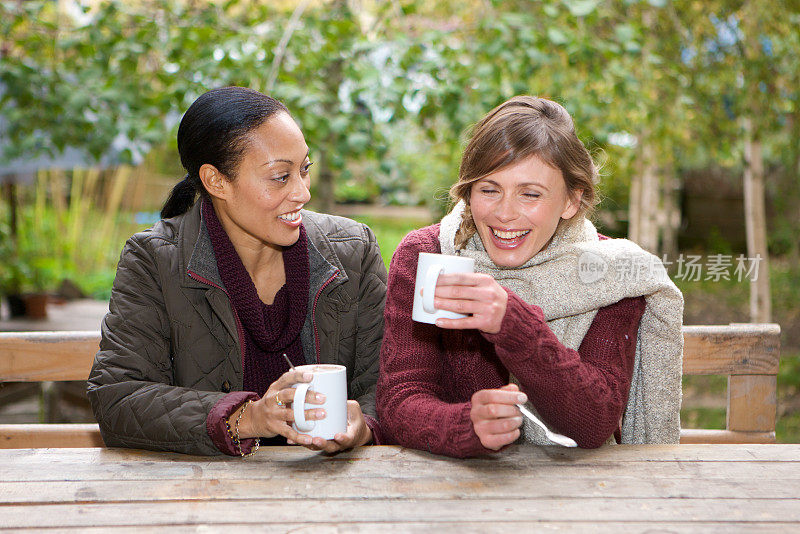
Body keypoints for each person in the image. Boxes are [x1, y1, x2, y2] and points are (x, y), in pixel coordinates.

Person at [376, 96, 683, 458]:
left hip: (575, 496)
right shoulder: (429, 256)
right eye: (489, 190)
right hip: (455, 493)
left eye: (530, 194)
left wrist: (512, 323)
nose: (505, 213)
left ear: (571, 200)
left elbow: (595, 422)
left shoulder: (611, 273)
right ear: (469, 190)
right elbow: (400, 398)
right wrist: (464, 425)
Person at [88, 87, 387, 456]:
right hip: (205, 497)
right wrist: (248, 417)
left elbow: (388, 382)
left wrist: (365, 426)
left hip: (331, 493)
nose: (302, 192)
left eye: (304, 169)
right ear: (216, 181)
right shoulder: (155, 259)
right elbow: (118, 397)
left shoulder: (353, 250)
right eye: (281, 176)